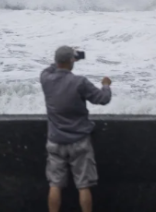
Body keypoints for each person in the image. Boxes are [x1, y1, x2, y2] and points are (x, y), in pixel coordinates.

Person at [40, 45, 112, 212]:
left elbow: (51, 67)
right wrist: (106, 85)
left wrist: (65, 59)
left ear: (57, 61)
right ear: (72, 61)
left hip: (55, 140)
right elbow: (103, 99)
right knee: (83, 186)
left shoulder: (45, 78)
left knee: (55, 184)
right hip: (79, 141)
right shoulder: (79, 82)